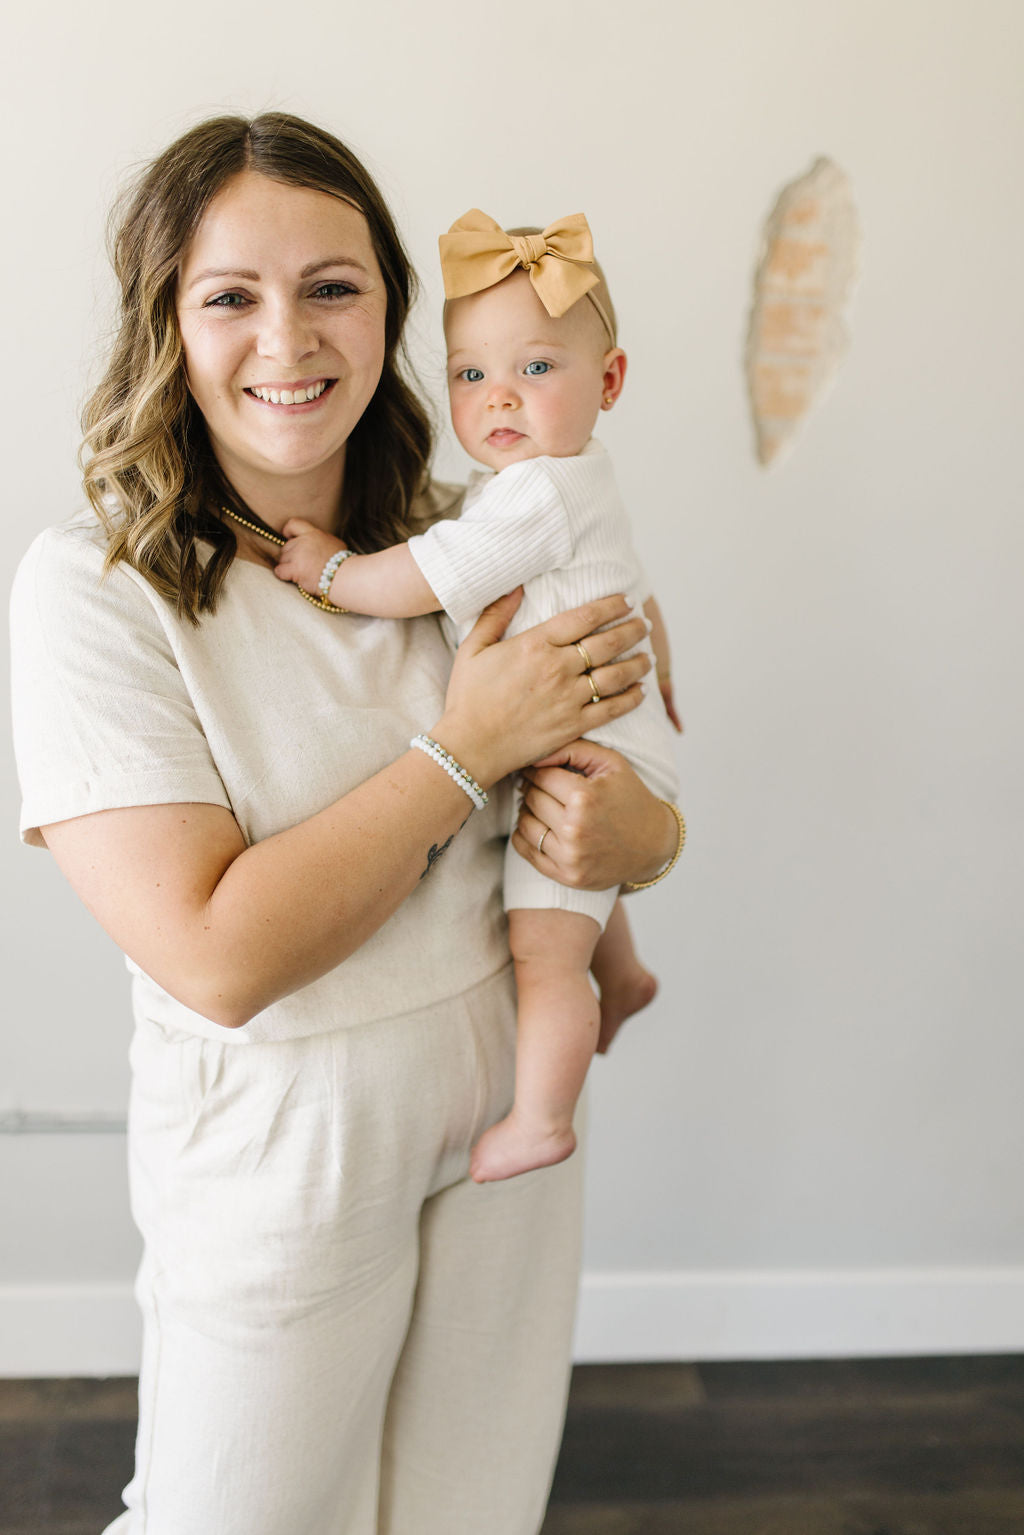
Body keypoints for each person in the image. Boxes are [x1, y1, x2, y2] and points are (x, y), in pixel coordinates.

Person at [9, 113, 685, 1535]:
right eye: (230, 295)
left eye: (332, 286)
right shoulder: (99, 590)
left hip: (501, 1080)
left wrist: (640, 840)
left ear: (389, 310)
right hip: (281, 1136)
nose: (288, 337)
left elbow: (630, 788)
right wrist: (469, 745)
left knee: (470, 1510)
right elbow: (218, 954)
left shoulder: (476, 537)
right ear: (165, 324)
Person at [276, 208, 682, 1183]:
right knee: (568, 894)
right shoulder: (542, 485)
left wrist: (333, 572)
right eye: (470, 373)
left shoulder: (535, 494)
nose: (498, 395)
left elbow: (425, 573)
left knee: (543, 952)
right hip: (595, 734)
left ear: (609, 380)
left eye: (537, 369)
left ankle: (541, 1115)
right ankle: (622, 970)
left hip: (593, 758)